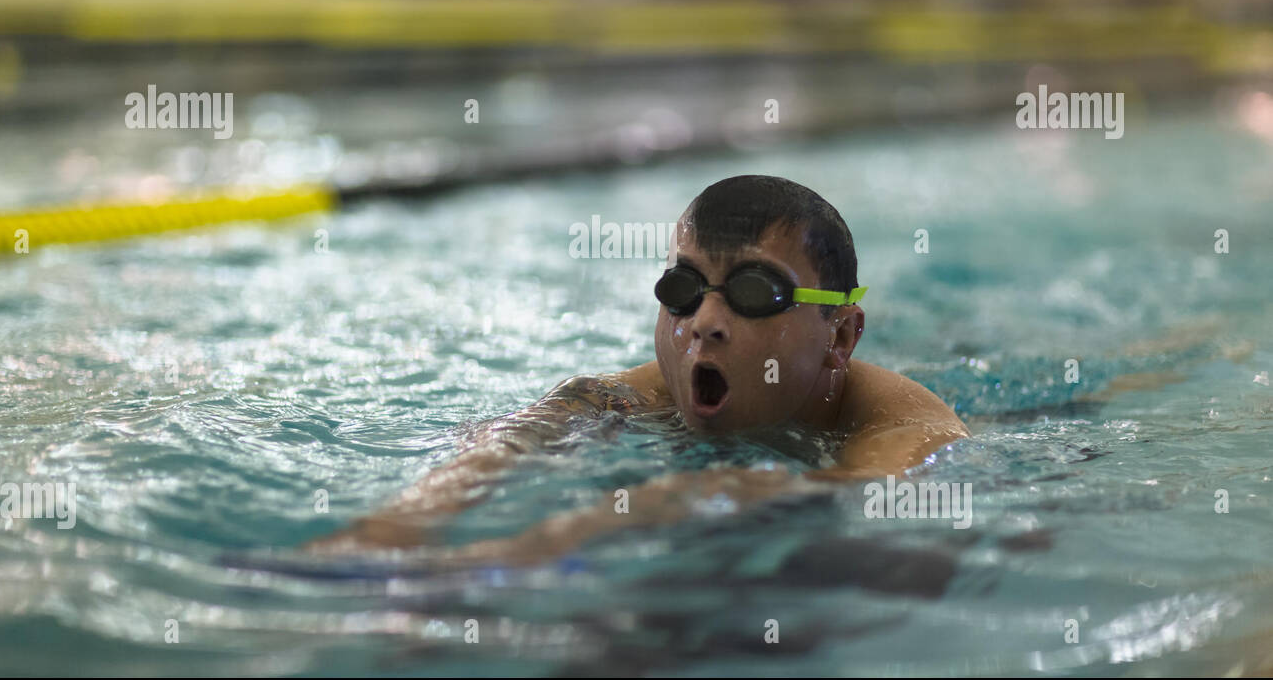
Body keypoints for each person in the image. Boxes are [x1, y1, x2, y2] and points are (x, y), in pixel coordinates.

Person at [306, 176, 969, 563]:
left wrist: (530, 552)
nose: (704, 321)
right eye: (684, 287)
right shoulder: (651, 387)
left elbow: (852, 496)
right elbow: (542, 422)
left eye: (753, 292)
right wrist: (398, 523)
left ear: (841, 334)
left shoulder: (909, 430)